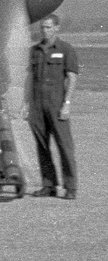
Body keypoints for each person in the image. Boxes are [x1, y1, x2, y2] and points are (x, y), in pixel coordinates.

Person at [28, 14, 78, 200]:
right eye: (42, 27)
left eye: (48, 27)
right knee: (42, 146)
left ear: (57, 28)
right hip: (37, 105)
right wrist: (26, 104)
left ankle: (70, 186)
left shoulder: (66, 49)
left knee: (65, 146)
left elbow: (72, 78)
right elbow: (29, 79)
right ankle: (48, 185)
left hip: (57, 104)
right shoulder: (34, 51)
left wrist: (67, 104)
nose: (45, 31)